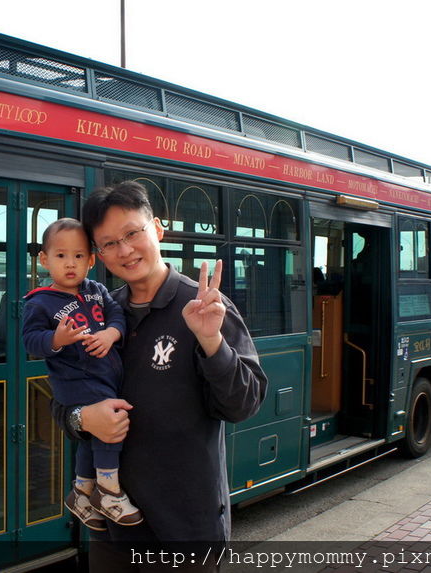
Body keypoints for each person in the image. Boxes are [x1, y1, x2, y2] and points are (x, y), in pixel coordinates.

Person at [53, 181, 267, 571]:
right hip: (113, 533)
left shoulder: (204, 307)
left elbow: (243, 404)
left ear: (157, 228)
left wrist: (212, 342)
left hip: (185, 531)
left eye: (133, 233)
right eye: (109, 243)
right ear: (99, 255)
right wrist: (83, 419)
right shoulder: (98, 313)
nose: (125, 250)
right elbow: (62, 401)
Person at [23, 218, 143, 531]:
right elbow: (30, 340)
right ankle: (109, 491)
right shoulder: (39, 302)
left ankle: (80, 492)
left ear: (90, 261)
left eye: (78, 256)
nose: (70, 264)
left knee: (91, 437)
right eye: (61, 256)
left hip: (104, 378)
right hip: (75, 383)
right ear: (44, 260)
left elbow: (117, 315)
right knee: (108, 429)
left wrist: (111, 335)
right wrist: (56, 340)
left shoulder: (97, 291)